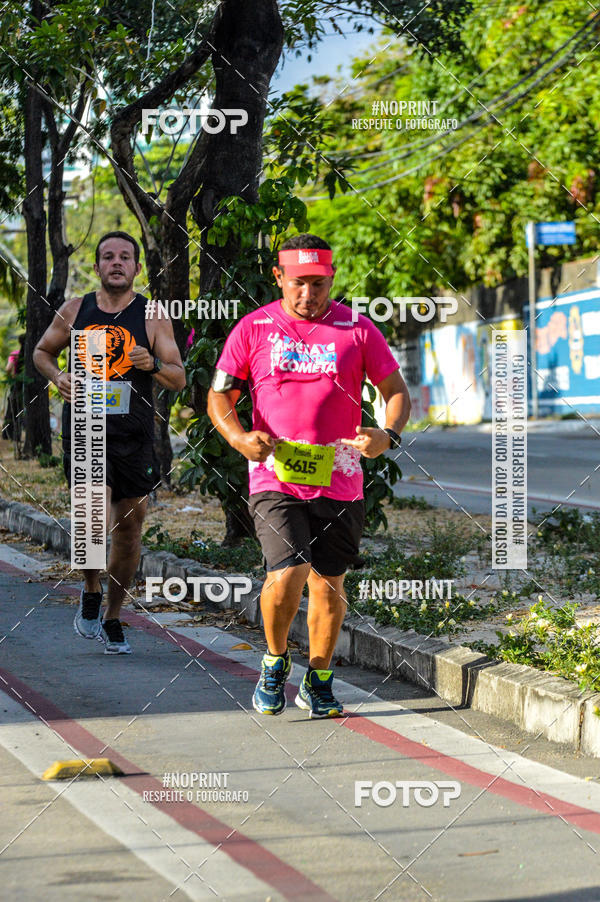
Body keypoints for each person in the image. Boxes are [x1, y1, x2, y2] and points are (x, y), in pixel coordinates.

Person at [207, 233, 410, 718]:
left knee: (328, 583)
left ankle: (318, 678)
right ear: (279, 278)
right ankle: (275, 662)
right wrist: (238, 439)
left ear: (331, 279)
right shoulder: (253, 329)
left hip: (340, 475)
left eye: (318, 284)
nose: (308, 294)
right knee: (289, 570)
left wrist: (386, 434)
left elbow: (396, 391)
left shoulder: (358, 329)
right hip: (275, 474)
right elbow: (219, 396)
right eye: (298, 283)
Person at [34, 231, 186, 653]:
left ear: (136, 267)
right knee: (89, 526)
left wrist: (152, 363)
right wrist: (58, 377)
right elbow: (42, 352)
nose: (116, 263)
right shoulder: (75, 310)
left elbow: (178, 376)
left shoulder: (152, 314)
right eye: (107, 257)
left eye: (124, 257)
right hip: (85, 429)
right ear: (98, 266)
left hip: (134, 438)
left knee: (130, 531)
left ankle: (114, 615)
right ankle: (90, 588)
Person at [3, 333, 25, 441]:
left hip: (16, 383)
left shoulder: (15, 354)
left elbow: (8, 369)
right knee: (20, 409)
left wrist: (11, 377)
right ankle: (16, 435)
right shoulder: (31, 355)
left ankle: (7, 434)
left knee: (11, 408)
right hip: (27, 385)